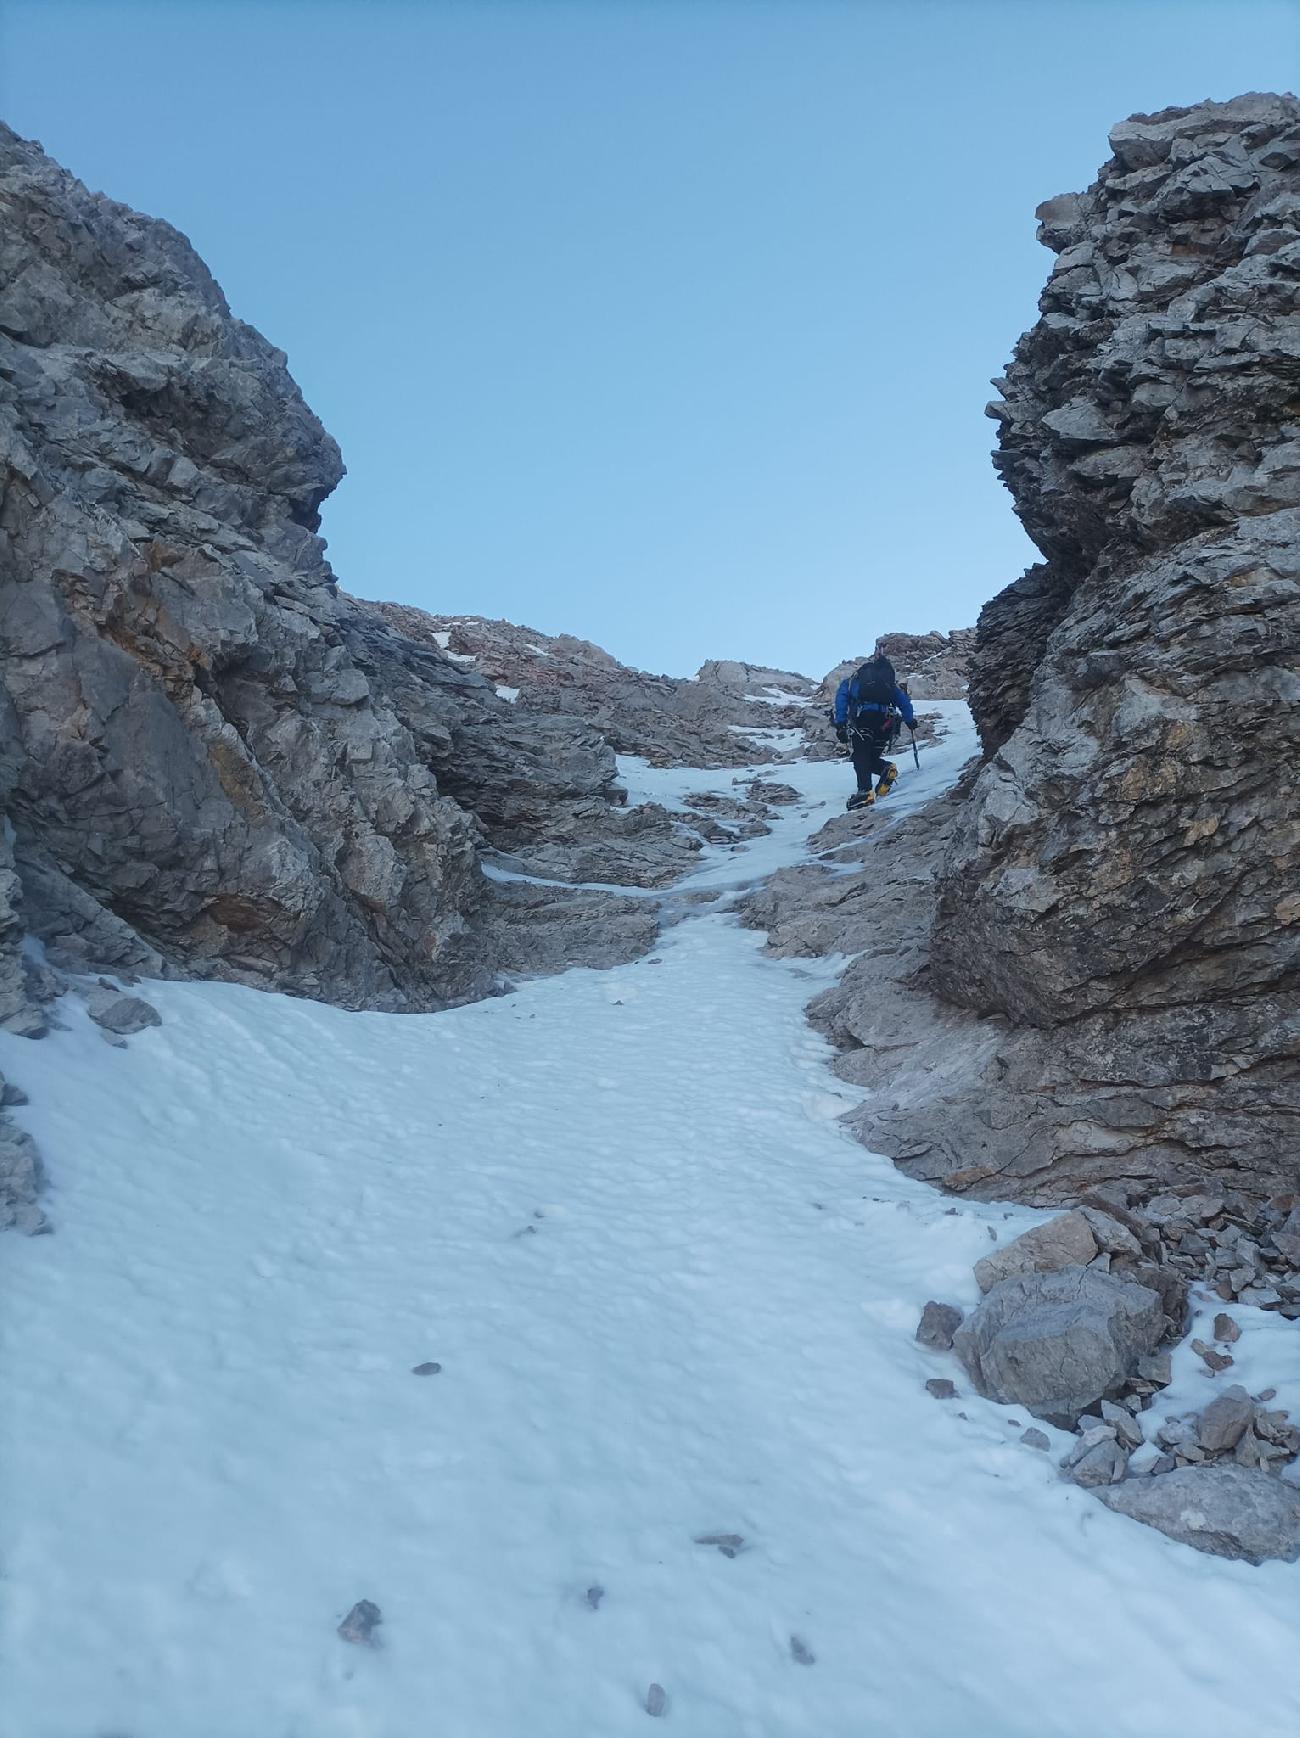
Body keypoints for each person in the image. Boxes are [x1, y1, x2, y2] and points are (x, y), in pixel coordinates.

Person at [832, 652, 915, 811]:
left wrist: (840, 724)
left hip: (864, 719)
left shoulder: (851, 682)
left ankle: (865, 792)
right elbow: (904, 702)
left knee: (860, 756)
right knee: (870, 757)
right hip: (886, 723)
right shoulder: (888, 684)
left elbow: (841, 700)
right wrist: (910, 720)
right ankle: (886, 769)